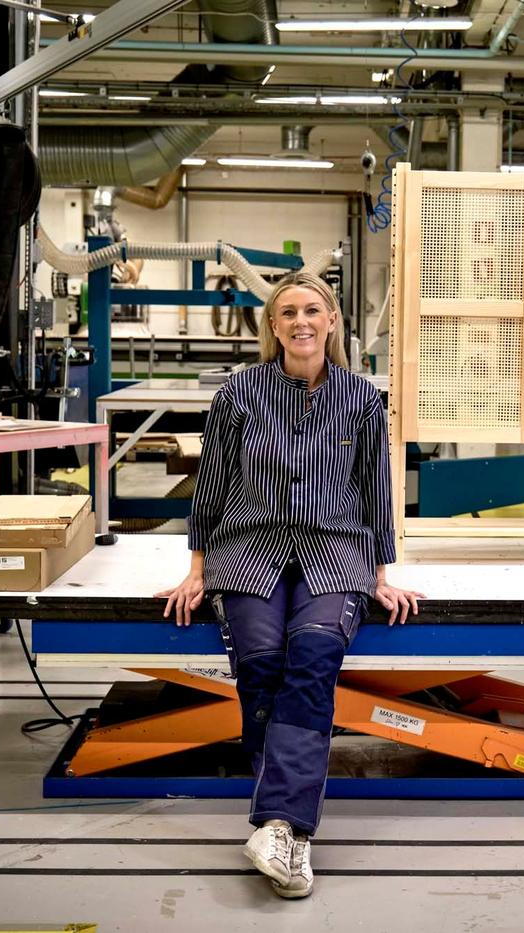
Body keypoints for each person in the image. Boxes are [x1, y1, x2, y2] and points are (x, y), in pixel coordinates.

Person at [156, 271, 423, 900]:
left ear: (331, 321)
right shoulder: (238, 395)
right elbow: (211, 488)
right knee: (261, 661)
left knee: (313, 655)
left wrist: (382, 575)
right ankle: (292, 834)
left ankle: (280, 824)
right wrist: (195, 571)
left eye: (312, 311)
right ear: (273, 328)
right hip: (251, 549)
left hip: (334, 552)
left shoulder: (362, 399)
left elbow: (377, 493)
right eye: (287, 313)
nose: (301, 322)